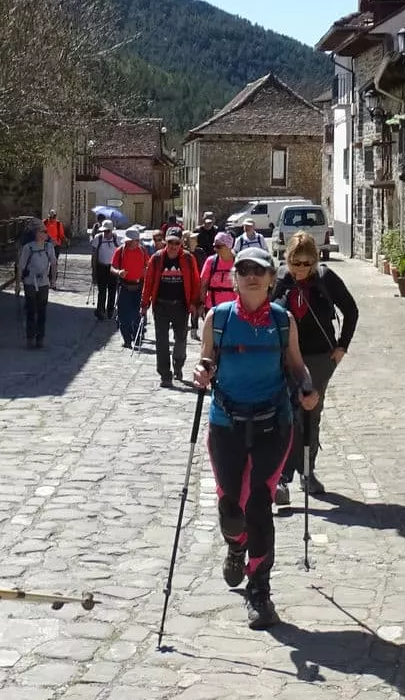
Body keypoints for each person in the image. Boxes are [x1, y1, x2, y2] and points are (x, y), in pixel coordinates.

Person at [192, 246, 316, 630]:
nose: (250, 276)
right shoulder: (219, 318)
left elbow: (296, 366)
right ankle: (235, 545)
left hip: (272, 424)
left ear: (270, 278)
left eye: (258, 270)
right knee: (232, 507)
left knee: (260, 503)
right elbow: (206, 358)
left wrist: (308, 387)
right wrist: (203, 371)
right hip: (226, 423)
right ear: (234, 278)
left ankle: (259, 591)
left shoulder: (282, 321)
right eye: (243, 269)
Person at [271, 231, 361, 501]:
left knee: (311, 415)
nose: (300, 269)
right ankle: (284, 478)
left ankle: (307, 473)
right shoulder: (281, 280)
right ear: (287, 259)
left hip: (321, 358)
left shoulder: (325, 278)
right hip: (287, 357)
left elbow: (351, 310)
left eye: (305, 263)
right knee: (290, 415)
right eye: (295, 262)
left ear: (314, 260)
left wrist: (342, 347)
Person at [144, 228, 204, 388]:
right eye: (170, 242)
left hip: (181, 306)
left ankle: (178, 365)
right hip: (161, 306)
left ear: (181, 243)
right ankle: (165, 375)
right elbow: (148, 282)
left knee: (181, 340)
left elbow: (196, 282)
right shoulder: (156, 259)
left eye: (177, 242)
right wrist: (144, 304)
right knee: (161, 342)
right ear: (166, 241)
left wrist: (195, 302)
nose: (173, 246)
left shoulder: (188, 259)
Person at [17, 222, 60, 347]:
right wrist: (18, 284)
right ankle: (30, 336)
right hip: (30, 281)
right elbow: (21, 266)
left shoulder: (48, 247)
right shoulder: (28, 248)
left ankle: (40, 337)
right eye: (44, 232)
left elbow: (53, 264)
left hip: (43, 283)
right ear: (37, 234)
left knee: (42, 310)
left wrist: (53, 280)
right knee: (31, 309)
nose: (47, 234)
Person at [112, 226, 151, 348]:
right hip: (125, 287)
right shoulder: (120, 251)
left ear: (137, 241)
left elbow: (149, 266)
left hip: (139, 287)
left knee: (137, 315)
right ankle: (127, 339)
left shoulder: (143, 251)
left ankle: (137, 337)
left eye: (132, 241)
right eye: (128, 241)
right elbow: (112, 267)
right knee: (123, 316)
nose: (129, 243)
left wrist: (146, 271)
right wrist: (118, 272)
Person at [91, 221, 120, 320]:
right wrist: (93, 271)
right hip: (101, 267)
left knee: (112, 291)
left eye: (108, 231)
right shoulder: (98, 238)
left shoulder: (117, 239)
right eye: (104, 231)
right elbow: (94, 256)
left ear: (111, 230)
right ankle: (100, 311)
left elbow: (120, 254)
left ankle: (110, 311)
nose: (106, 233)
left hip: (113, 268)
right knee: (102, 291)